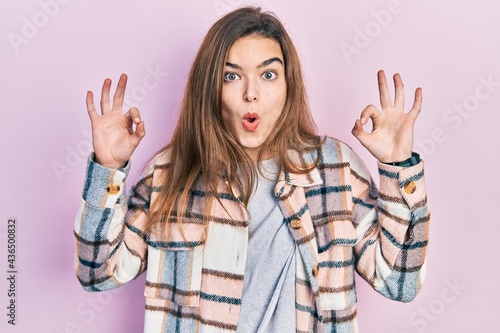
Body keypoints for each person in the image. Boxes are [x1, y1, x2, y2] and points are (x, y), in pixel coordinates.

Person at [74, 6, 429, 333]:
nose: (251, 93)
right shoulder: (170, 172)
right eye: (231, 76)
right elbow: (97, 273)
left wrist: (398, 166)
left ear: (289, 86)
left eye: (269, 74)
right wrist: (108, 168)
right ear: (210, 88)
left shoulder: (335, 169)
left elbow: (399, 280)